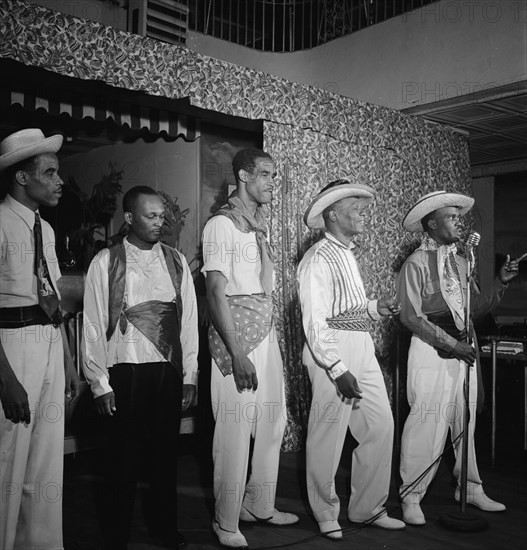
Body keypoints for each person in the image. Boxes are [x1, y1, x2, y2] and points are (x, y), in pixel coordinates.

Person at [81, 185, 198, 550]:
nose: (159, 222)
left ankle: (164, 528)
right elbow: (93, 325)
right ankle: (116, 535)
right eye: (151, 216)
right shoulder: (106, 261)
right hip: (125, 373)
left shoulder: (176, 261)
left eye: (162, 216)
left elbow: (188, 323)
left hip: (166, 371)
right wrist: (100, 383)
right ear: (129, 218)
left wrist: (190, 375)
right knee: (121, 460)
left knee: (164, 457)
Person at [397, 190, 519, 525]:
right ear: (432, 223)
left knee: (465, 420)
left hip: (463, 352)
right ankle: (412, 494)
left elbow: (473, 309)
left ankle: (469, 487)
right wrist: (451, 345)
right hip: (431, 351)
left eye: (458, 217)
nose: (458, 223)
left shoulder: (461, 262)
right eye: (452, 217)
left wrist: (499, 283)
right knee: (427, 422)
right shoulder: (416, 264)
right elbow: (411, 316)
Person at [297, 179, 405, 540]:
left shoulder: (346, 253)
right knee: (328, 434)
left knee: (380, 425)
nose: (363, 213)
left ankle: (368, 508)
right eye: (355, 207)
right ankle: (325, 511)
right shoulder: (316, 259)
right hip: (331, 351)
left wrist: (375, 309)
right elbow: (315, 321)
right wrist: (337, 368)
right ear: (331, 214)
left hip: (360, 344)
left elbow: (347, 309)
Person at [202, 148, 298, 549]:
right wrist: (237, 352)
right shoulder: (221, 226)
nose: (272, 183)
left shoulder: (256, 225)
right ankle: (226, 521)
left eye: (274, 175)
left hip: (265, 331)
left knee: (273, 421)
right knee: (234, 432)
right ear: (243, 175)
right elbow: (215, 291)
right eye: (265, 175)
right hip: (237, 340)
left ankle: (259, 503)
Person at [0, 128, 79, 550]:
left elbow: (52, 300)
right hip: (12, 346)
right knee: (8, 461)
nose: (59, 180)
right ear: (22, 178)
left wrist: (66, 362)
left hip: (47, 343)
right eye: (49, 172)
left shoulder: (44, 229)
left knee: (47, 461)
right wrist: (6, 379)